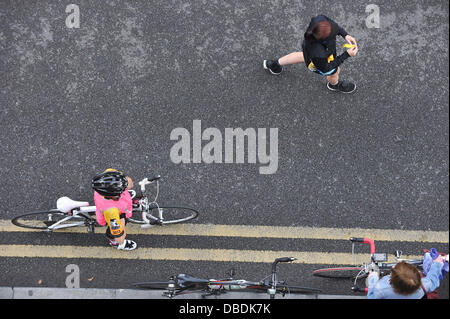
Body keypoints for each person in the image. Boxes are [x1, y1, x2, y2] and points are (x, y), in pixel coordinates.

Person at [263, 15, 358, 93]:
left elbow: (330, 22)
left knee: (301, 56)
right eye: (333, 34)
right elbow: (326, 68)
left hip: (309, 52)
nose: (336, 31)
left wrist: (345, 34)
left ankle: (274, 64)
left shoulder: (319, 22)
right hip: (319, 62)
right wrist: (346, 55)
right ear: (324, 40)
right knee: (335, 71)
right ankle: (334, 85)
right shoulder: (319, 53)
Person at [92, 168, 137, 251]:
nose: (125, 187)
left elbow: (128, 182)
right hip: (114, 213)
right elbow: (119, 237)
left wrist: (123, 184)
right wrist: (122, 219)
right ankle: (113, 243)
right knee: (113, 234)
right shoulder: (111, 212)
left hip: (114, 205)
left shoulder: (109, 173)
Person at [366, 255, 445, 299]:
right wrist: (437, 264)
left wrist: (373, 280)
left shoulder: (382, 289)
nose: (393, 267)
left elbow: (371, 296)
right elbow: (432, 280)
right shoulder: (422, 286)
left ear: (392, 281)